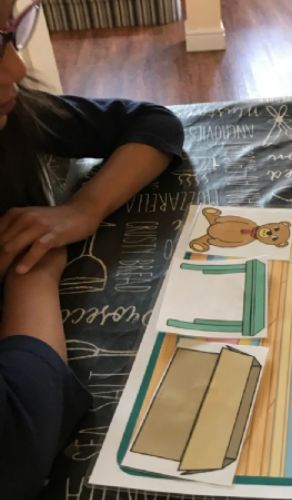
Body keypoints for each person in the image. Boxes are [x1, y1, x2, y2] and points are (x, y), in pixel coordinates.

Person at [0, 0, 184, 498]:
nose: (16, 67)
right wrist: (34, 275)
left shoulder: (17, 117)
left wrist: (86, 207)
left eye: (9, 33)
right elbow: (17, 449)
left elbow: (154, 123)